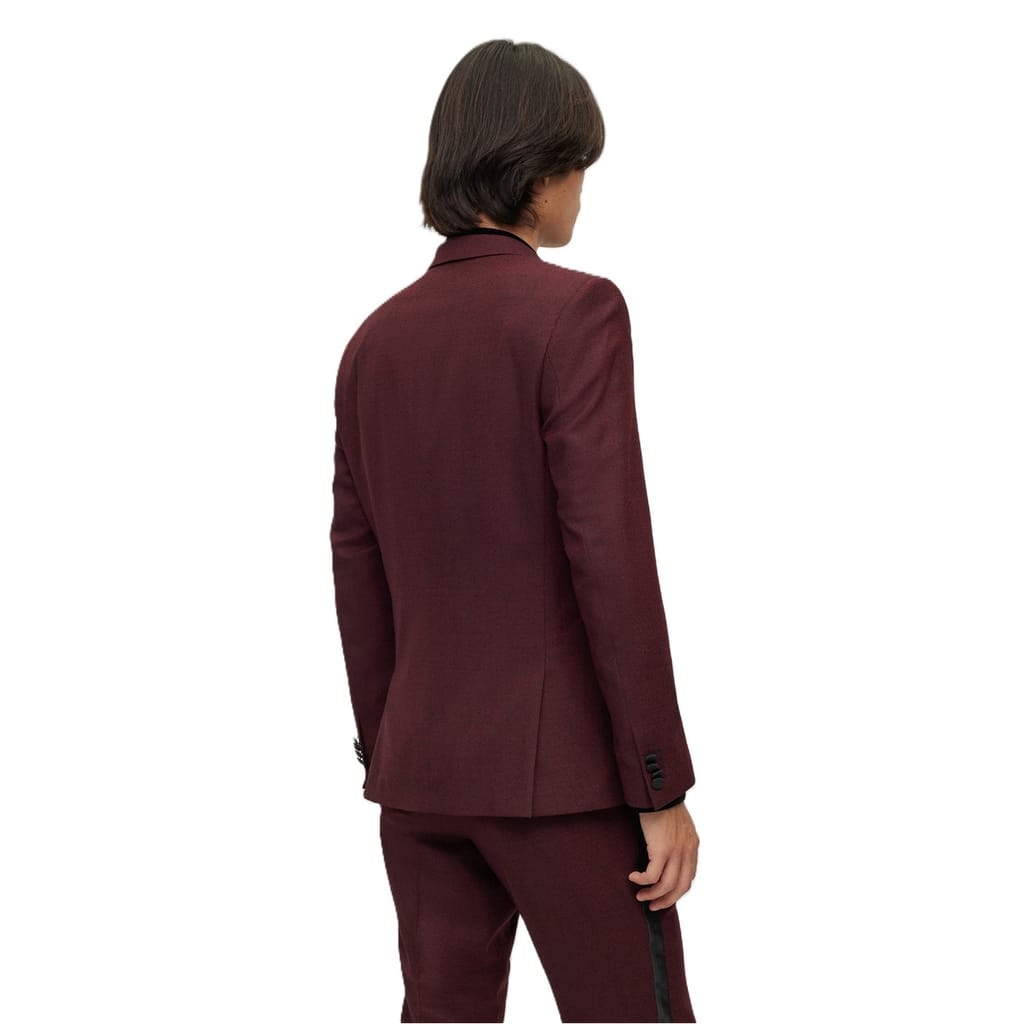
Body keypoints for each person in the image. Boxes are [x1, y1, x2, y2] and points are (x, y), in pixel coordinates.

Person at [330, 38, 700, 1023]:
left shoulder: (372, 344)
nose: (581, 193)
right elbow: (608, 557)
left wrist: (392, 748)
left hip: (420, 782)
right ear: (537, 171)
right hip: (564, 785)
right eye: (578, 167)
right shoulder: (575, 313)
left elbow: (357, 571)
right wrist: (658, 784)